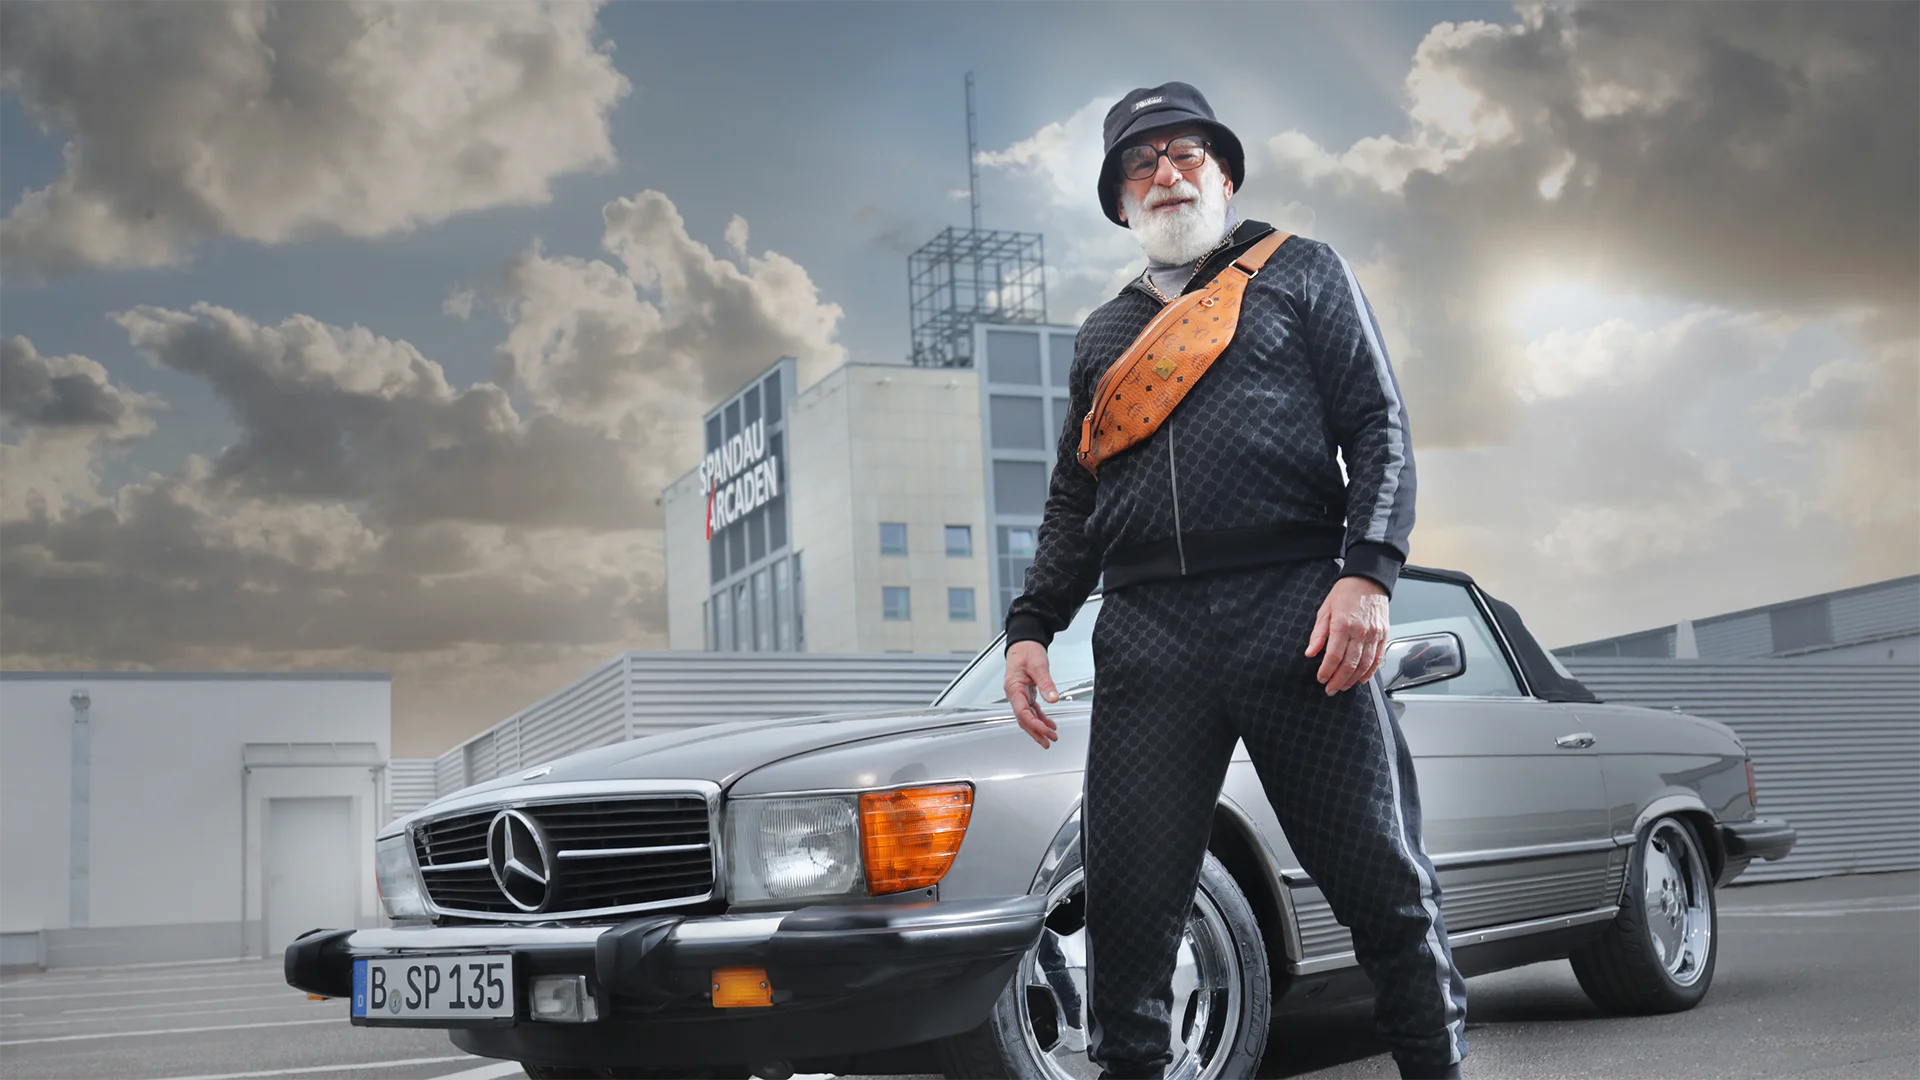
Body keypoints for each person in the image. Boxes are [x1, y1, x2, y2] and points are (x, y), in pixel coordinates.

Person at [1000, 82, 1470, 1080]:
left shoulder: (1301, 272)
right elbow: (1070, 501)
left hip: (1296, 614)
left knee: (1383, 890)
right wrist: (1033, 625)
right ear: (1120, 199)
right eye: (1143, 161)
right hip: (1145, 640)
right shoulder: (1100, 335)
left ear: (1223, 173)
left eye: (1186, 154)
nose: (1167, 173)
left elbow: (1379, 428)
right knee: (1127, 918)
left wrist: (1368, 576)